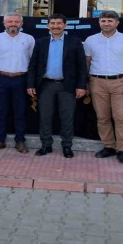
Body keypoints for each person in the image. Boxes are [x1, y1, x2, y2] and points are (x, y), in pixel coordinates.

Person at [26, 14, 87, 158]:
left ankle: (67, 146)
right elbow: (33, 65)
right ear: (48, 26)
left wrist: (81, 86)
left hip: (68, 86)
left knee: (67, 117)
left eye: (59, 23)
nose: (55, 26)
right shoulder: (40, 42)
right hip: (46, 85)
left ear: (65, 25)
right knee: (45, 117)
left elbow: (82, 66)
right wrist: (30, 84)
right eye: (52, 23)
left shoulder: (75, 42)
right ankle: (46, 145)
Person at [84, 10, 123, 164]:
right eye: (103, 21)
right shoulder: (90, 40)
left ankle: (122, 149)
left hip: (121, 82)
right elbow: (87, 62)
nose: (106, 23)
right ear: (99, 22)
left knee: (121, 117)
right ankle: (108, 146)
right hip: (97, 82)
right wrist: (85, 83)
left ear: (117, 23)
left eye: (110, 21)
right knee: (102, 117)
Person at [0, 12, 35, 153]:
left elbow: (33, 62)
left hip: (21, 79)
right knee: (0, 110)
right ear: (4, 23)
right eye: (10, 21)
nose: (13, 24)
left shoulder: (29, 39)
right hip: (0, 78)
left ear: (21, 23)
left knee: (20, 111)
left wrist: (31, 82)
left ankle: (20, 141)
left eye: (16, 22)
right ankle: (0, 140)